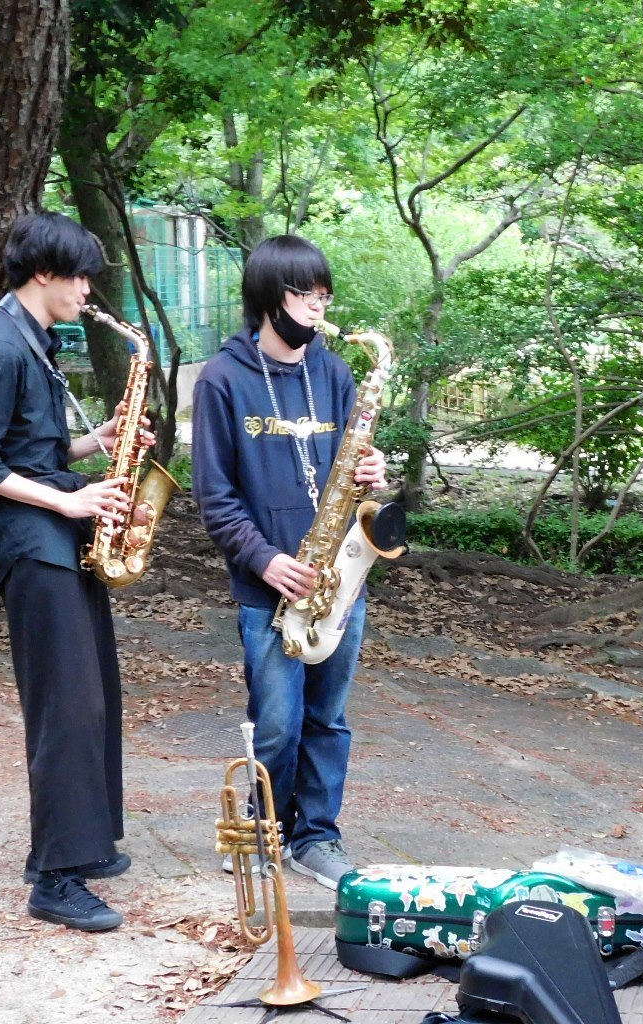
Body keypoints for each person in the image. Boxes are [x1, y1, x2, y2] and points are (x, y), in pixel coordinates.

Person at [0, 211, 149, 932]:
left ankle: (85, 845)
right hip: (32, 546)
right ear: (44, 274)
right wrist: (72, 498)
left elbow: (31, 450)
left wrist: (97, 443)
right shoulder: (0, 350)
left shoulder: (32, 341)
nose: (87, 289)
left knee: (93, 695)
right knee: (66, 707)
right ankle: (56, 880)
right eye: (80, 276)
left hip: (60, 537)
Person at [191, 234, 387, 890]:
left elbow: (350, 480)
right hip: (268, 585)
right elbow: (214, 498)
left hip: (340, 579)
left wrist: (371, 474)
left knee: (327, 721)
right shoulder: (223, 380)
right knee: (276, 723)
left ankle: (317, 837)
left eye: (325, 295)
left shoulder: (333, 372)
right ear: (271, 298)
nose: (319, 307)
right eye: (308, 295)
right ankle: (259, 827)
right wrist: (266, 560)